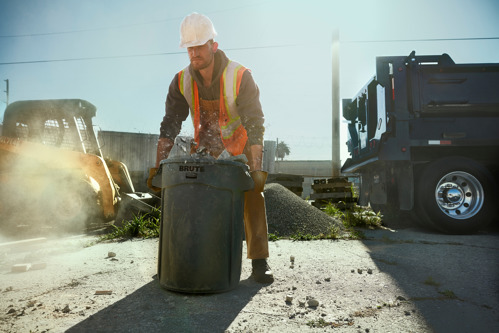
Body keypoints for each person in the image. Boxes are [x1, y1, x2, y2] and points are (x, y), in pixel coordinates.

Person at [148, 12, 273, 284]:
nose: (194, 52)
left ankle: (259, 262)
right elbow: (169, 125)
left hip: (238, 152)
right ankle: (189, 259)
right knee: (190, 198)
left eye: (199, 46)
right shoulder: (180, 81)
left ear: (213, 45)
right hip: (205, 153)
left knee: (253, 195)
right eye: (189, 47)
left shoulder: (239, 76)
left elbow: (255, 124)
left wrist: (256, 168)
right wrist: (158, 168)